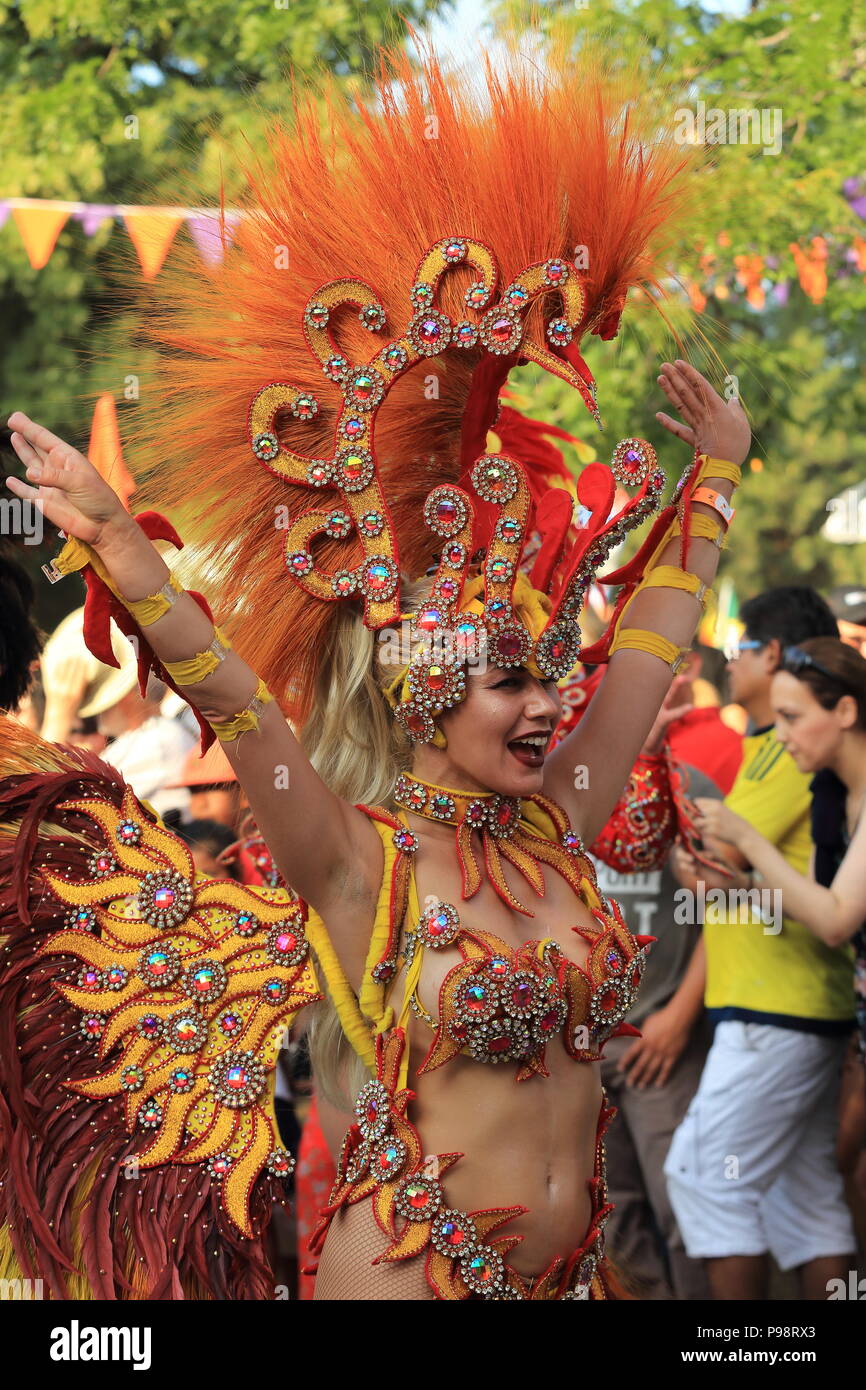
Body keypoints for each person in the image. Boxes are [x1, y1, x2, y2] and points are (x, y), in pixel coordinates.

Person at [0, 39, 749, 1300]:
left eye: (546, 675)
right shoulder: (361, 860)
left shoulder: (560, 820)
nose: (549, 701)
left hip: (577, 1282)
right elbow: (236, 703)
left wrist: (717, 475)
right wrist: (125, 547)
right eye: (510, 681)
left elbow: (651, 648)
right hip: (409, 1274)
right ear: (425, 689)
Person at [665, 589, 857, 1301]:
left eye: (741, 646)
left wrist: (724, 846)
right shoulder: (790, 752)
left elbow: (727, 857)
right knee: (803, 1201)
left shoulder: (786, 753)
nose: (727, 658)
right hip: (788, 1008)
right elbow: (736, 878)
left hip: (778, 1012)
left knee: (704, 1176)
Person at [594, 652, 743, 1300]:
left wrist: (681, 1015)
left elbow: (732, 913)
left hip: (662, 1042)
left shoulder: (692, 789)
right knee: (612, 1220)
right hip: (583, 1047)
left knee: (689, 1209)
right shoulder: (560, 795)